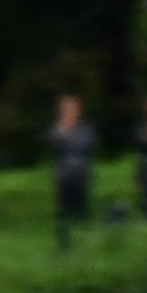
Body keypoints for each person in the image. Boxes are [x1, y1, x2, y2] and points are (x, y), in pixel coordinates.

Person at [50, 94, 98, 248]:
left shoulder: (85, 130)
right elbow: (54, 146)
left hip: (81, 176)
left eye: (72, 109)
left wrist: (66, 138)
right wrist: (64, 134)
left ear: (78, 111)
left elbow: (85, 146)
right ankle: (64, 243)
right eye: (65, 109)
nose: (68, 112)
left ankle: (84, 239)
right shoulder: (56, 129)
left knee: (82, 210)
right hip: (63, 177)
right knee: (63, 212)